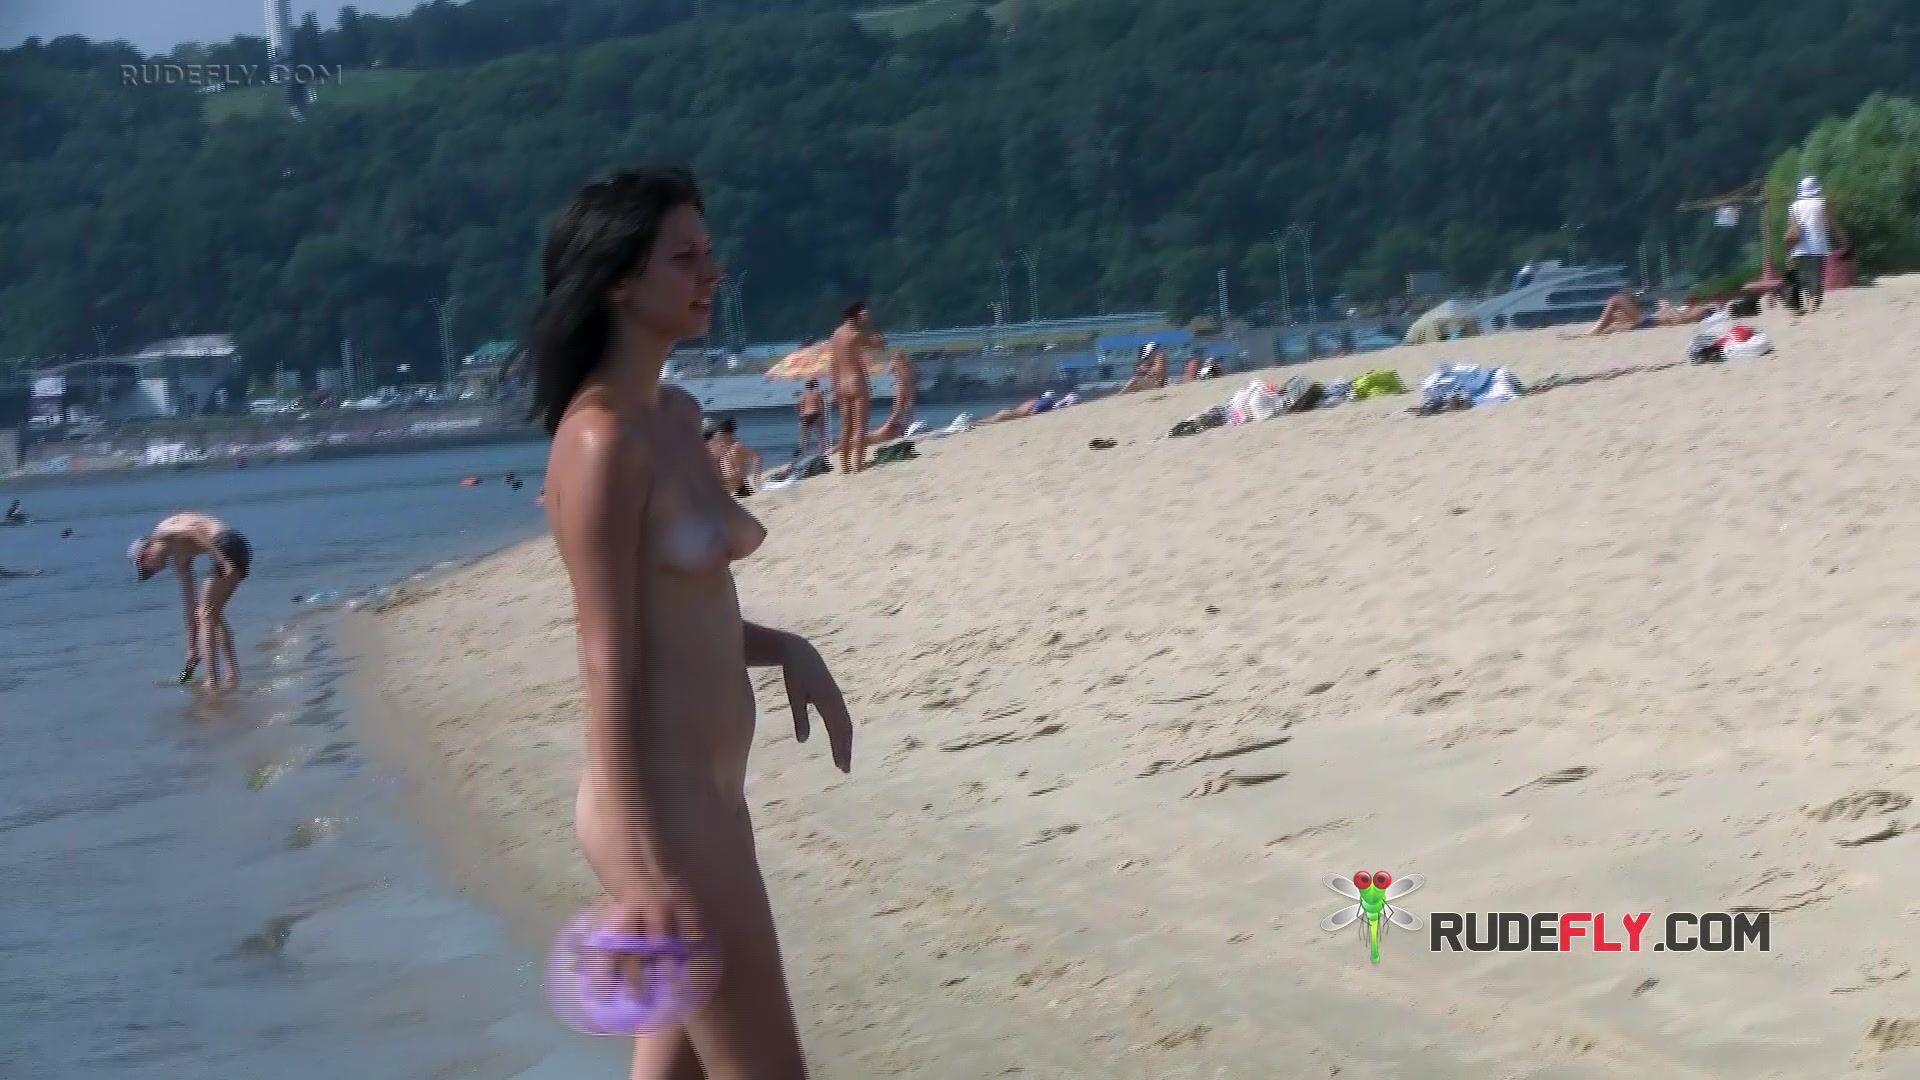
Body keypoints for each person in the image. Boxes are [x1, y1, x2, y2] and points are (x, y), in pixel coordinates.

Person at [527, 166, 853, 1079]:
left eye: (709, 253)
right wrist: (643, 867)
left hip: (712, 798)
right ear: (617, 280)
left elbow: (684, 616)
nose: (712, 273)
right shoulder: (599, 441)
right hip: (661, 813)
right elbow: (607, 658)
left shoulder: (674, 416)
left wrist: (784, 648)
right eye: (684, 258)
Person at [129, 512, 252, 689]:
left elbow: (194, 532)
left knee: (206, 614)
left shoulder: (162, 534)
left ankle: (212, 680)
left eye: (147, 569)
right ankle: (231, 674)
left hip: (227, 543)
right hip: (235, 548)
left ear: (145, 554)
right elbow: (190, 606)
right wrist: (191, 648)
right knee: (211, 614)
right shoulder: (180, 560)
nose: (153, 573)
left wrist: (220, 559)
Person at [828, 300, 883, 474]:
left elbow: (833, 364)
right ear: (858, 315)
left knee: (846, 428)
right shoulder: (856, 334)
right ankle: (858, 465)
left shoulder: (836, 334)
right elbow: (880, 344)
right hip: (856, 381)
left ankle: (845, 466)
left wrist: (834, 387)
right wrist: (871, 324)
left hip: (841, 384)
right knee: (860, 427)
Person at [1785, 175, 1846, 315]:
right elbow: (1832, 223)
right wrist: (1843, 238)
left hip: (1799, 247)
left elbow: (1790, 228)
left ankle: (1808, 303)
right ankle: (1813, 303)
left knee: (1804, 276)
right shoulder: (1822, 203)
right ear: (1816, 188)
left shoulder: (1794, 206)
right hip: (1817, 245)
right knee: (1816, 275)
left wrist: (1789, 250)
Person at [706, 416, 763, 499]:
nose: (717, 436)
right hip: (725, 485)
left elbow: (757, 457)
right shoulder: (721, 448)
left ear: (727, 434)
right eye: (717, 434)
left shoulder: (736, 446)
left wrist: (756, 477)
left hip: (739, 485)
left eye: (719, 434)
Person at [869, 351, 917, 442]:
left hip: (900, 386)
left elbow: (889, 372)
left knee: (898, 408)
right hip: (909, 386)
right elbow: (917, 373)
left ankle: (893, 426)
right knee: (908, 407)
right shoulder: (909, 363)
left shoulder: (895, 363)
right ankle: (907, 425)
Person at [794, 379, 827, 458]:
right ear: (814, 386)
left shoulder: (802, 395)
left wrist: (800, 414)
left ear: (806, 387)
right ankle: (821, 453)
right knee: (821, 435)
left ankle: (802, 454)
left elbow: (796, 405)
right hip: (816, 414)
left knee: (803, 436)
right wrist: (822, 415)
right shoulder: (817, 393)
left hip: (805, 415)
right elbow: (822, 405)